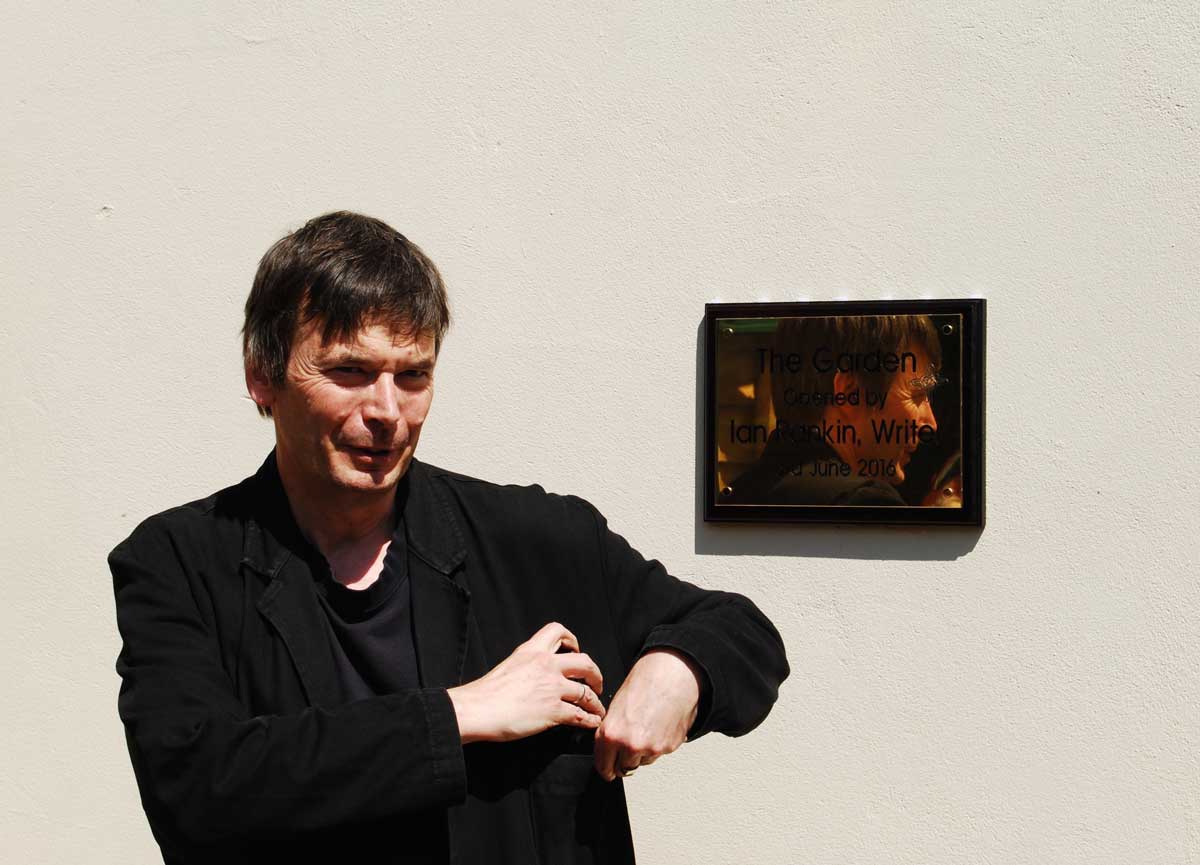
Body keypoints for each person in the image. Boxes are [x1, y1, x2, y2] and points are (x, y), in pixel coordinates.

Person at [109, 211, 789, 864]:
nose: (386, 410)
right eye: (350, 371)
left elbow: (742, 633)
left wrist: (681, 670)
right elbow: (198, 788)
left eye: (412, 375)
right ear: (263, 376)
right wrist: (460, 714)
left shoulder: (536, 539)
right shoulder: (179, 562)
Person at [723, 314, 943, 506]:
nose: (931, 423)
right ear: (849, 392)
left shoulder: (733, 498)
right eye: (916, 396)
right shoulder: (865, 504)